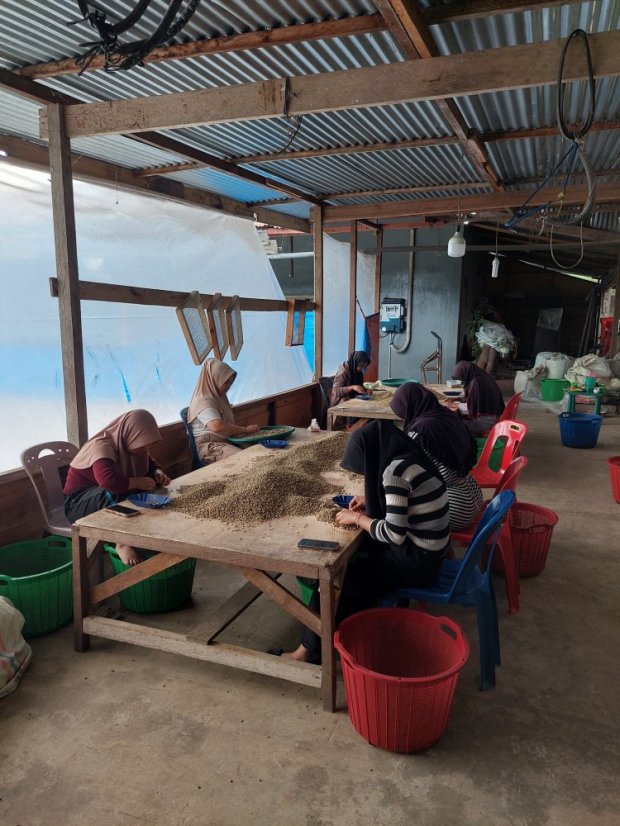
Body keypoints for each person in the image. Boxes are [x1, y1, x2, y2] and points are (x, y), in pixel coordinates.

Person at [276, 419, 450, 664]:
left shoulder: (394, 473)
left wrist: (357, 518)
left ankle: (306, 651)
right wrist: (368, 501)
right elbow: (409, 503)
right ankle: (341, 634)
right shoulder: (410, 456)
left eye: (365, 468)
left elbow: (394, 534)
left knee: (337, 577)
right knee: (356, 565)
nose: (367, 473)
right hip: (432, 553)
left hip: (418, 562)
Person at [64, 410, 170, 566]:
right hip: (78, 504)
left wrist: (157, 472)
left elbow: (148, 463)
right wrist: (137, 482)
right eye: (141, 445)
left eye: (146, 445)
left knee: (147, 488)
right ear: (129, 434)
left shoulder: (129, 444)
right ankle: (121, 543)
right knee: (112, 492)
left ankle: (139, 535)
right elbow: (109, 482)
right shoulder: (101, 447)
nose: (144, 449)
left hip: (104, 499)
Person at [389, 383, 483, 530]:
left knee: (395, 514)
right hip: (473, 493)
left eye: (402, 412)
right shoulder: (445, 415)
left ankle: (430, 550)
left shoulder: (421, 434)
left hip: (455, 508)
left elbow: (406, 477)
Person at [188, 358, 260, 465]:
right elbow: (217, 427)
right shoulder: (203, 400)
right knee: (245, 460)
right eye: (225, 382)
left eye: (230, 383)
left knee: (259, 450)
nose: (229, 386)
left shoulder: (218, 397)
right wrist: (245, 430)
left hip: (225, 440)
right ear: (214, 379)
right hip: (209, 445)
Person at [452, 360, 505, 435]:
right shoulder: (482, 376)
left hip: (485, 422)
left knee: (451, 423)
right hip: (493, 416)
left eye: (461, 378)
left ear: (466, 374)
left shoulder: (476, 383)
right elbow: (475, 403)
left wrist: (454, 406)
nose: (462, 382)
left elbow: (471, 410)